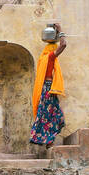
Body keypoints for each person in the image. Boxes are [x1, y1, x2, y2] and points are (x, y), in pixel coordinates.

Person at [29, 22, 66, 154]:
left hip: (46, 89)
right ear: (51, 51)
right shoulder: (50, 57)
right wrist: (60, 30)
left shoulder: (43, 58)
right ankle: (48, 141)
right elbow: (63, 45)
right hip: (49, 89)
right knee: (53, 115)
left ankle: (48, 140)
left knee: (49, 114)